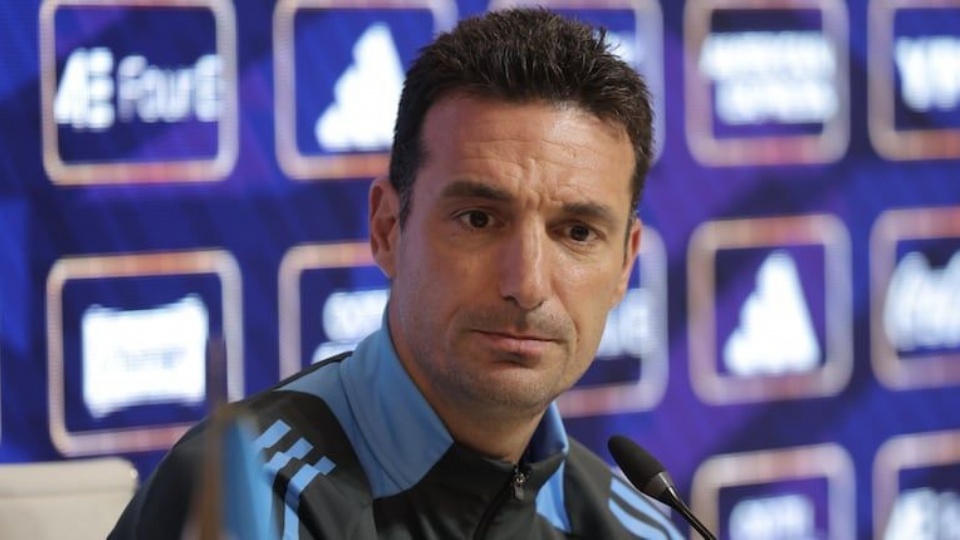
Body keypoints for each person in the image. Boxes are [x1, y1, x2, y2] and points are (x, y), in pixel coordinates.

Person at [110, 7, 681, 539]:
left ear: (624, 263)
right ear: (388, 228)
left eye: (577, 232)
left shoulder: (638, 530)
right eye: (479, 219)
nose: (527, 285)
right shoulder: (253, 497)